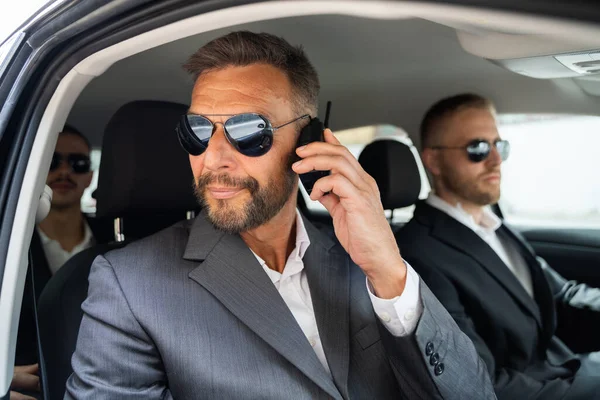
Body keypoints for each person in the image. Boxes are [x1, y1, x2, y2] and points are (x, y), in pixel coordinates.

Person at [65, 32, 494, 399]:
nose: (214, 158)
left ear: (307, 140)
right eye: (197, 131)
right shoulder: (129, 286)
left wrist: (388, 271)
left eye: (249, 130)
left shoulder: (365, 255)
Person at [396, 93, 600, 399]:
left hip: (567, 367)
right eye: (477, 149)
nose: (495, 160)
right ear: (434, 161)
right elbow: (480, 380)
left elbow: (561, 294)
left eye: (499, 146)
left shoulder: (492, 226)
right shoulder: (417, 253)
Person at [11, 126, 95, 400]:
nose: (64, 172)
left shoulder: (126, 242)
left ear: (90, 177)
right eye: (51, 161)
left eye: (78, 163)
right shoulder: (7, 246)